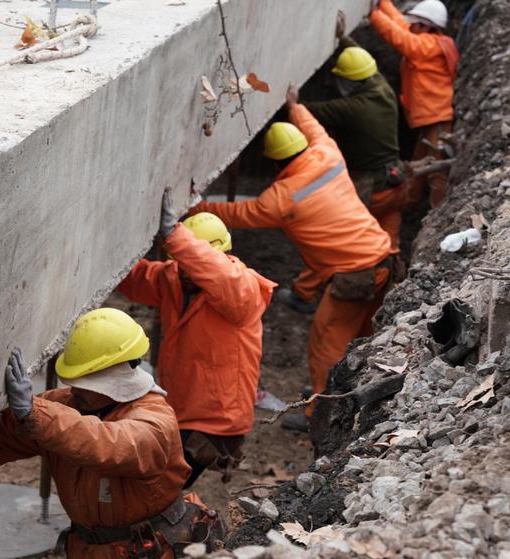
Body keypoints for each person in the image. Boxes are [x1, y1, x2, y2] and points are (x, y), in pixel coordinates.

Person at [0, 310, 225, 559]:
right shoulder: (67, 407)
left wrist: (35, 413)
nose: (76, 389)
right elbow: (0, 437)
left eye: (85, 382)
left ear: (112, 382)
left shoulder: (154, 421)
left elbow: (110, 443)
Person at [185, 86, 398, 431]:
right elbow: (316, 130)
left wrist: (193, 208)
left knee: (325, 345)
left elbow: (236, 213)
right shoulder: (327, 154)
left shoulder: (280, 199)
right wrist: (295, 106)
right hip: (384, 259)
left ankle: (320, 415)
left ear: (275, 161)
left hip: (354, 275)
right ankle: (345, 394)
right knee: (364, 337)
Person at [116, 189, 275, 488]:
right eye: (182, 266)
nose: (186, 274)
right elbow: (134, 278)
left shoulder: (242, 290)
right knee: (156, 486)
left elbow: (219, 274)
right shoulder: (175, 278)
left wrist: (175, 236)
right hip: (182, 409)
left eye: (191, 265)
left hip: (217, 421)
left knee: (159, 488)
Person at [282, 11, 407, 316]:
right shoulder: (381, 87)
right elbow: (363, 64)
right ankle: (393, 292)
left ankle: (303, 294)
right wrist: (344, 39)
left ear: (349, 81)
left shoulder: (353, 107)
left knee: (333, 235)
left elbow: (313, 113)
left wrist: (293, 104)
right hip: (395, 181)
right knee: (387, 240)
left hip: (368, 185)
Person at [370, 0, 458, 208]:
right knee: (419, 165)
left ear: (425, 26)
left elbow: (400, 37)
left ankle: (437, 213)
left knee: (437, 169)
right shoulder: (429, 41)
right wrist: (383, 4)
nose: (410, 26)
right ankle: (407, 203)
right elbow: (401, 26)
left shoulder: (428, 46)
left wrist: (373, 15)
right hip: (431, 118)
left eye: (414, 24)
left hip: (436, 119)